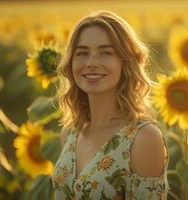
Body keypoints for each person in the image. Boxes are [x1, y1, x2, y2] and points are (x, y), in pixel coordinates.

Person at [52, 10, 169, 200]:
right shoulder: (70, 134)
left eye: (105, 53)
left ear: (126, 62)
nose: (91, 63)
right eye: (82, 53)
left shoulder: (142, 139)